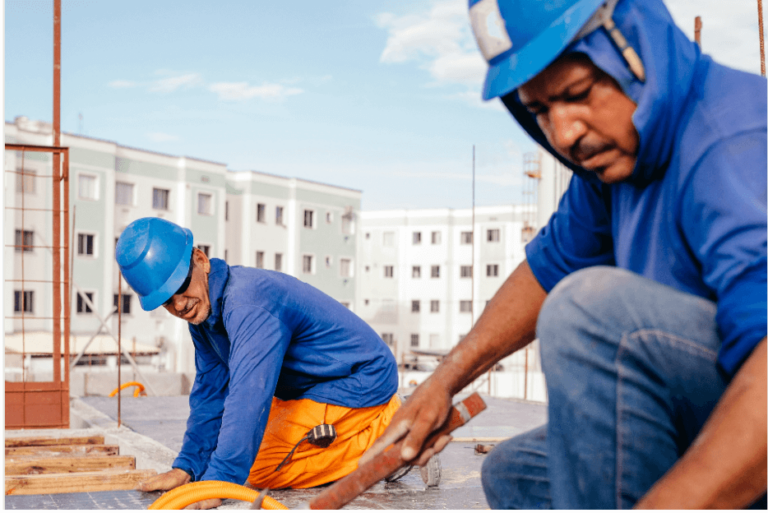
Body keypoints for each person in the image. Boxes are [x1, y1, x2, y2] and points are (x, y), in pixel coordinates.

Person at [362, 0, 767, 508]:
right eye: (540, 111)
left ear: (636, 49)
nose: (564, 133)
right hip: (710, 405)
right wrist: (442, 383)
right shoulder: (616, 164)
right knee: (517, 473)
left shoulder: (736, 140)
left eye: (577, 94)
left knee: (589, 310)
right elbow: (547, 269)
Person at [115, 217, 400, 509]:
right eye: (166, 301)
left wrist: (219, 481)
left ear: (200, 259)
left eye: (181, 285)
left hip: (358, 379)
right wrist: (187, 468)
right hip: (313, 386)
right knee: (238, 447)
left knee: (258, 467)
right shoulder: (204, 315)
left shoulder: (248, 303)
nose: (179, 305)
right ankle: (369, 434)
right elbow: (211, 393)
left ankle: (394, 436)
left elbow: (247, 397)